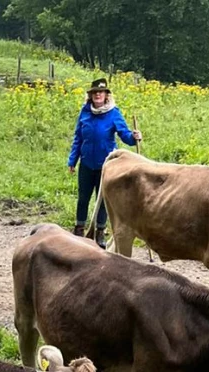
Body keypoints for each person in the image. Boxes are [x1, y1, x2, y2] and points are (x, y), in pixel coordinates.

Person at [68, 78, 142, 247]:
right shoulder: (85, 112)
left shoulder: (114, 113)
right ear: (91, 95)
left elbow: (124, 134)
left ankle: (100, 232)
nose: (98, 95)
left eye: (100, 92)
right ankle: (79, 229)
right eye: (94, 92)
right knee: (83, 198)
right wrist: (73, 159)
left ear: (106, 95)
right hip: (86, 163)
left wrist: (133, 137)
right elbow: (78, 138)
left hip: (106, 166)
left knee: (102, 200)